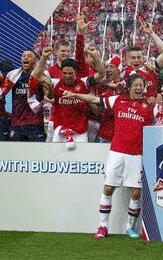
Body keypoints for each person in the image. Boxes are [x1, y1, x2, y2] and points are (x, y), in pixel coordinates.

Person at [62, 74, 157, 239]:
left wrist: (161, 99)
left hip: (137, 154)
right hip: (117, 151)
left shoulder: (150, 106)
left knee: (135, 192)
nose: (139, 88)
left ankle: (130, 227)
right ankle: (102, 226)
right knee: (108, 189)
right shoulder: (118, 100)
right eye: (135, 85)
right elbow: (94, 100)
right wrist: (75, 95)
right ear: (129, 87)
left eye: (141, 85)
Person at [31, 47, 104, 147]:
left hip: (80, 133)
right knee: (58, 161)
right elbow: (36, 75)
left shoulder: (84, 82)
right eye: (65, 73)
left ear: (75, 72)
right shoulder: (55, 83)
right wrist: (43, 57)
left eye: (71, 73)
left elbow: (101, 74)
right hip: (60, 132)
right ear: (61, 72)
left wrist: (95, 57)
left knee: (80, 161)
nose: (68, 76)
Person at [0, 50, 47, 142]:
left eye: (29, 56)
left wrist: (48, 87)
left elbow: (49, 95)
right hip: (17, 125)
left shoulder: (41, 77)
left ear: (35, 60)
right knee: (15, 155)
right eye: (23, 56)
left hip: (35, 124)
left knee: (36, 155)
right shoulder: (13, 75)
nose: (25, 57)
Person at [120, 18, 163, 97]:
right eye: (133, 58)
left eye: (139, 57)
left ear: (143, 59)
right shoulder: (123, 73)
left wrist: (151, 33)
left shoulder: (151, 70)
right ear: (127, 60)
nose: (136, 60)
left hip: (151, 107)